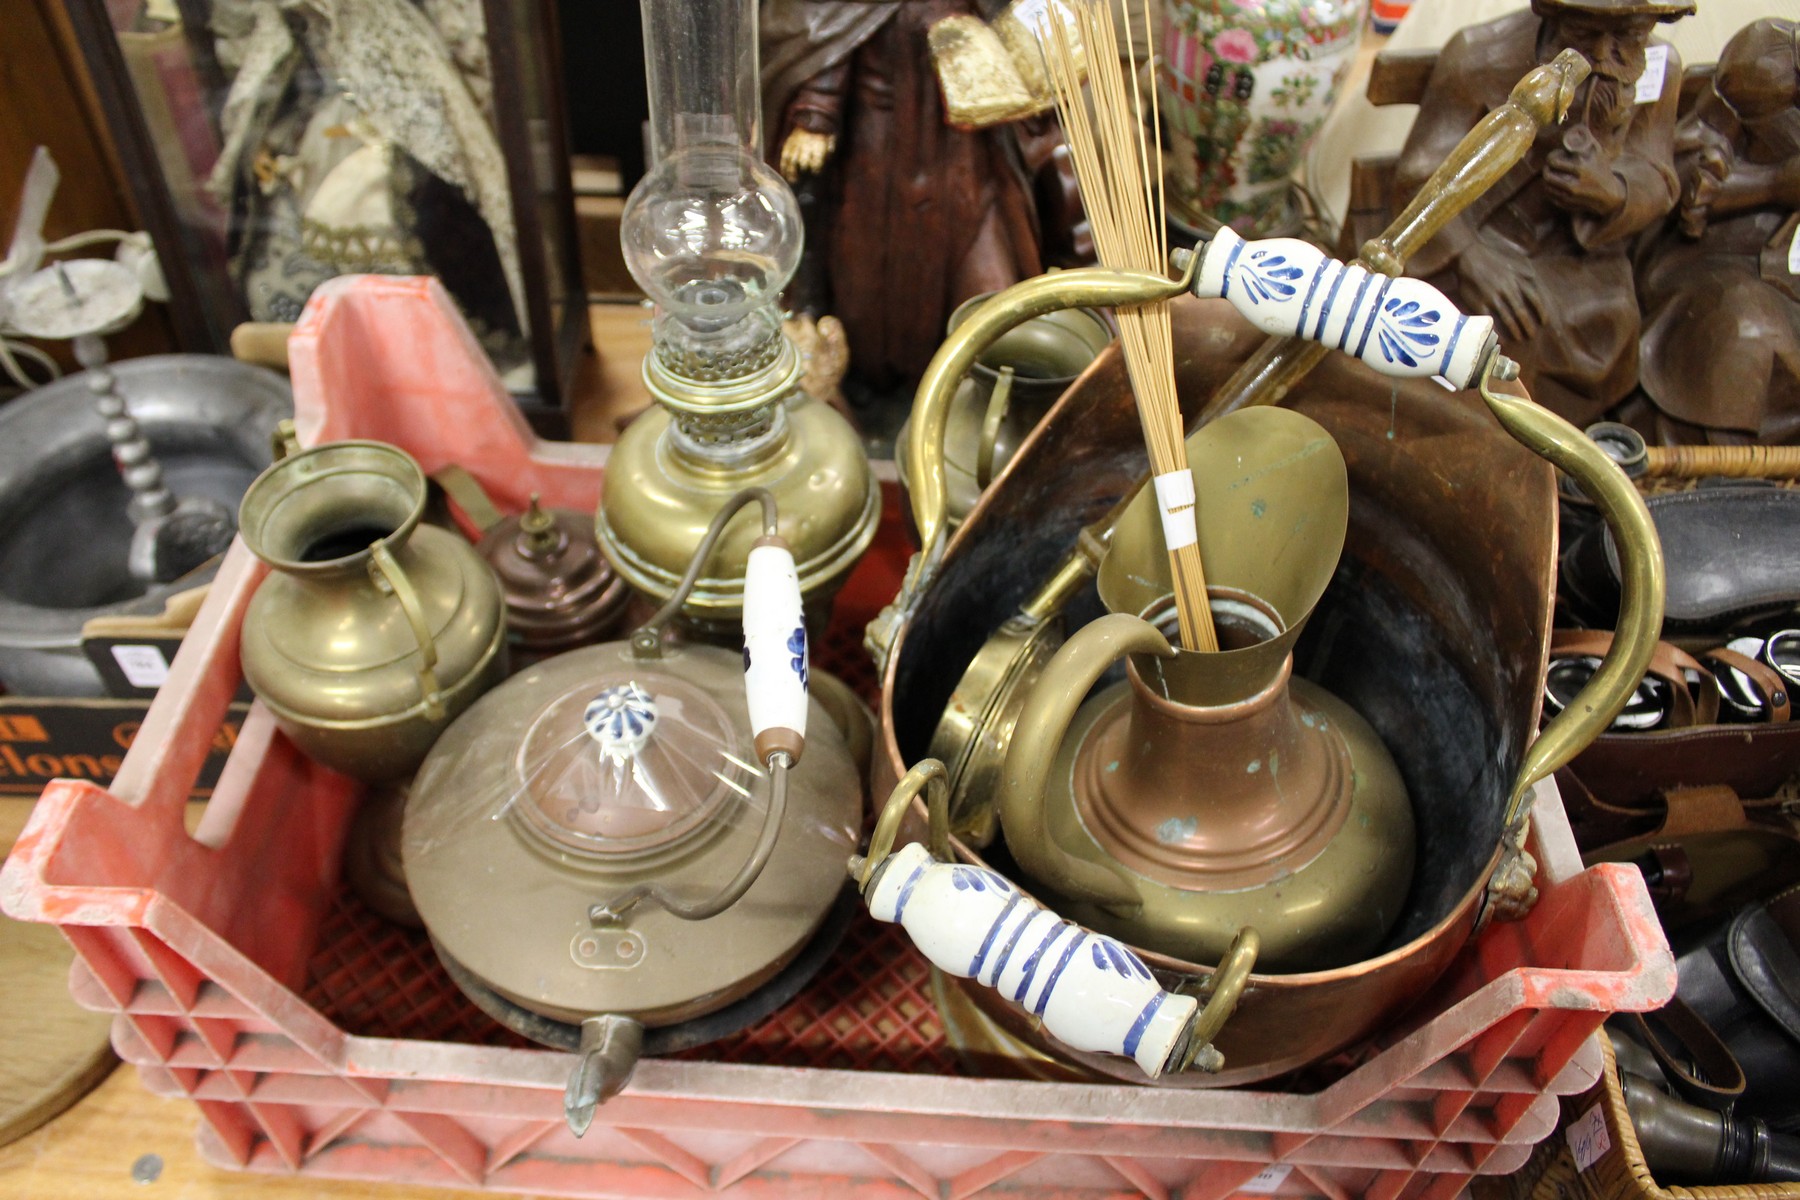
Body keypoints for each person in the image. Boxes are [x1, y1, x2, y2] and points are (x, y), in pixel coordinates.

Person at [1392, 0, 1690, 426]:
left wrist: (1613, 191)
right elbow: (1419, 173)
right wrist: (1473, 258)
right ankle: (1483, 445)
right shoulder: (1480, 56)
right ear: (1553, 17)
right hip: (1475, 234)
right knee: (1501, 328)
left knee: (1614, 314)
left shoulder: (1660, 67)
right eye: (1586, 33)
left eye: (1629, 36)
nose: (1604, 52)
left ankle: (1563, 449)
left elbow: (1656, 173)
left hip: (1576, 249)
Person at [760, 0, 1047, 397]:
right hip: (876, 148)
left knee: (985, 282)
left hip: (963, 151)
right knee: (866, 281)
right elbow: (830, 28)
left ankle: (975, 395)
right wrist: (817, 111)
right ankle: (868, 384)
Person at [1633, 18, 1800, 444]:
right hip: (1718, 264)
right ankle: (1720, 486)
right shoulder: (1770, 59)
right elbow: (1683, 176)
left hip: (1788, 281)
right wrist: (1773, 185)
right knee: (1746, 325)